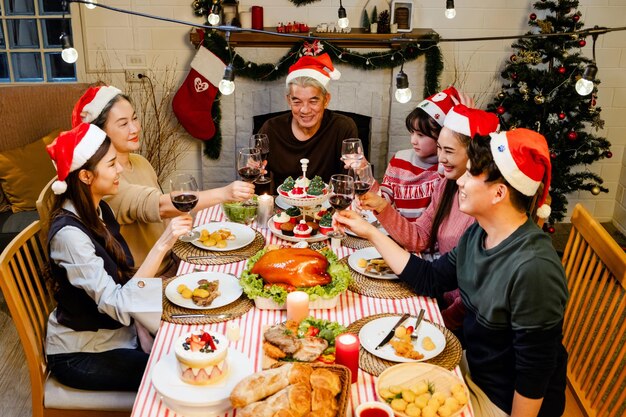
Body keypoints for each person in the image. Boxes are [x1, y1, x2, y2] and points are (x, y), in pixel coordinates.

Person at [335, 128, 567, 417]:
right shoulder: (478, 235)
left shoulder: (534, 269)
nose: (460, 182)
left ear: (499, 193)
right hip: (472, 368)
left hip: (502, 400)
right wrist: (369, 231)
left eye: (470, 175)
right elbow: (429, 279)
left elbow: (534, 375)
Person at [44, 123, 192, 391]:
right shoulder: (70, 237)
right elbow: (120, 305)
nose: (121, 170)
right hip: (82, 353)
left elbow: (122, 282)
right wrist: (163, 244)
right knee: (179, 375)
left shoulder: (98, 209)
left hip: (117, 335)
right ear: (86, 177)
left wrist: (142, 330)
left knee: (191, 346)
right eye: (112, 164)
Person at [72, 85, 254, 274]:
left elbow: (165, 217)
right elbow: (158, 206)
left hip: (173, 259)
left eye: (134, 118)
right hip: (148, 278)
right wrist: (224, 193)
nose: (135, 128)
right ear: (100, 133)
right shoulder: (106, 180)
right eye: (123, 124)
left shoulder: (140, 162)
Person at [361, 105, 500, 330]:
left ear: (476, 155)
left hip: (458, 317)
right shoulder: (447, 183)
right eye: (438, 149)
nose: (440, 159)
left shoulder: (483, 208)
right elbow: (419, 238)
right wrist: (382, 207)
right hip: (438, 292)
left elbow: (477, 294)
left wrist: (441, 321)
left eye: (449, 151)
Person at [257, 53, 358, 188]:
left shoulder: (343, 127)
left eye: (313, 101)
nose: (305, 110)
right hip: (283, 205)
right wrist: (254, 169)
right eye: (297, 101)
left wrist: (360, 170)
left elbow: (348, 183)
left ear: (326, 100)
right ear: (289, 100)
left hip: (327, 204)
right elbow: (258, 178)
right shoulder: (271, 128)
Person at [375, 86, 461, 222]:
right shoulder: (399, 159)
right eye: (412, 132)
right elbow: (384, 196)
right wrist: (366, 177)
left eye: (421, 135)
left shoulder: (447, 169)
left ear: (441, 136)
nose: (413, 140)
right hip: (399, 232)